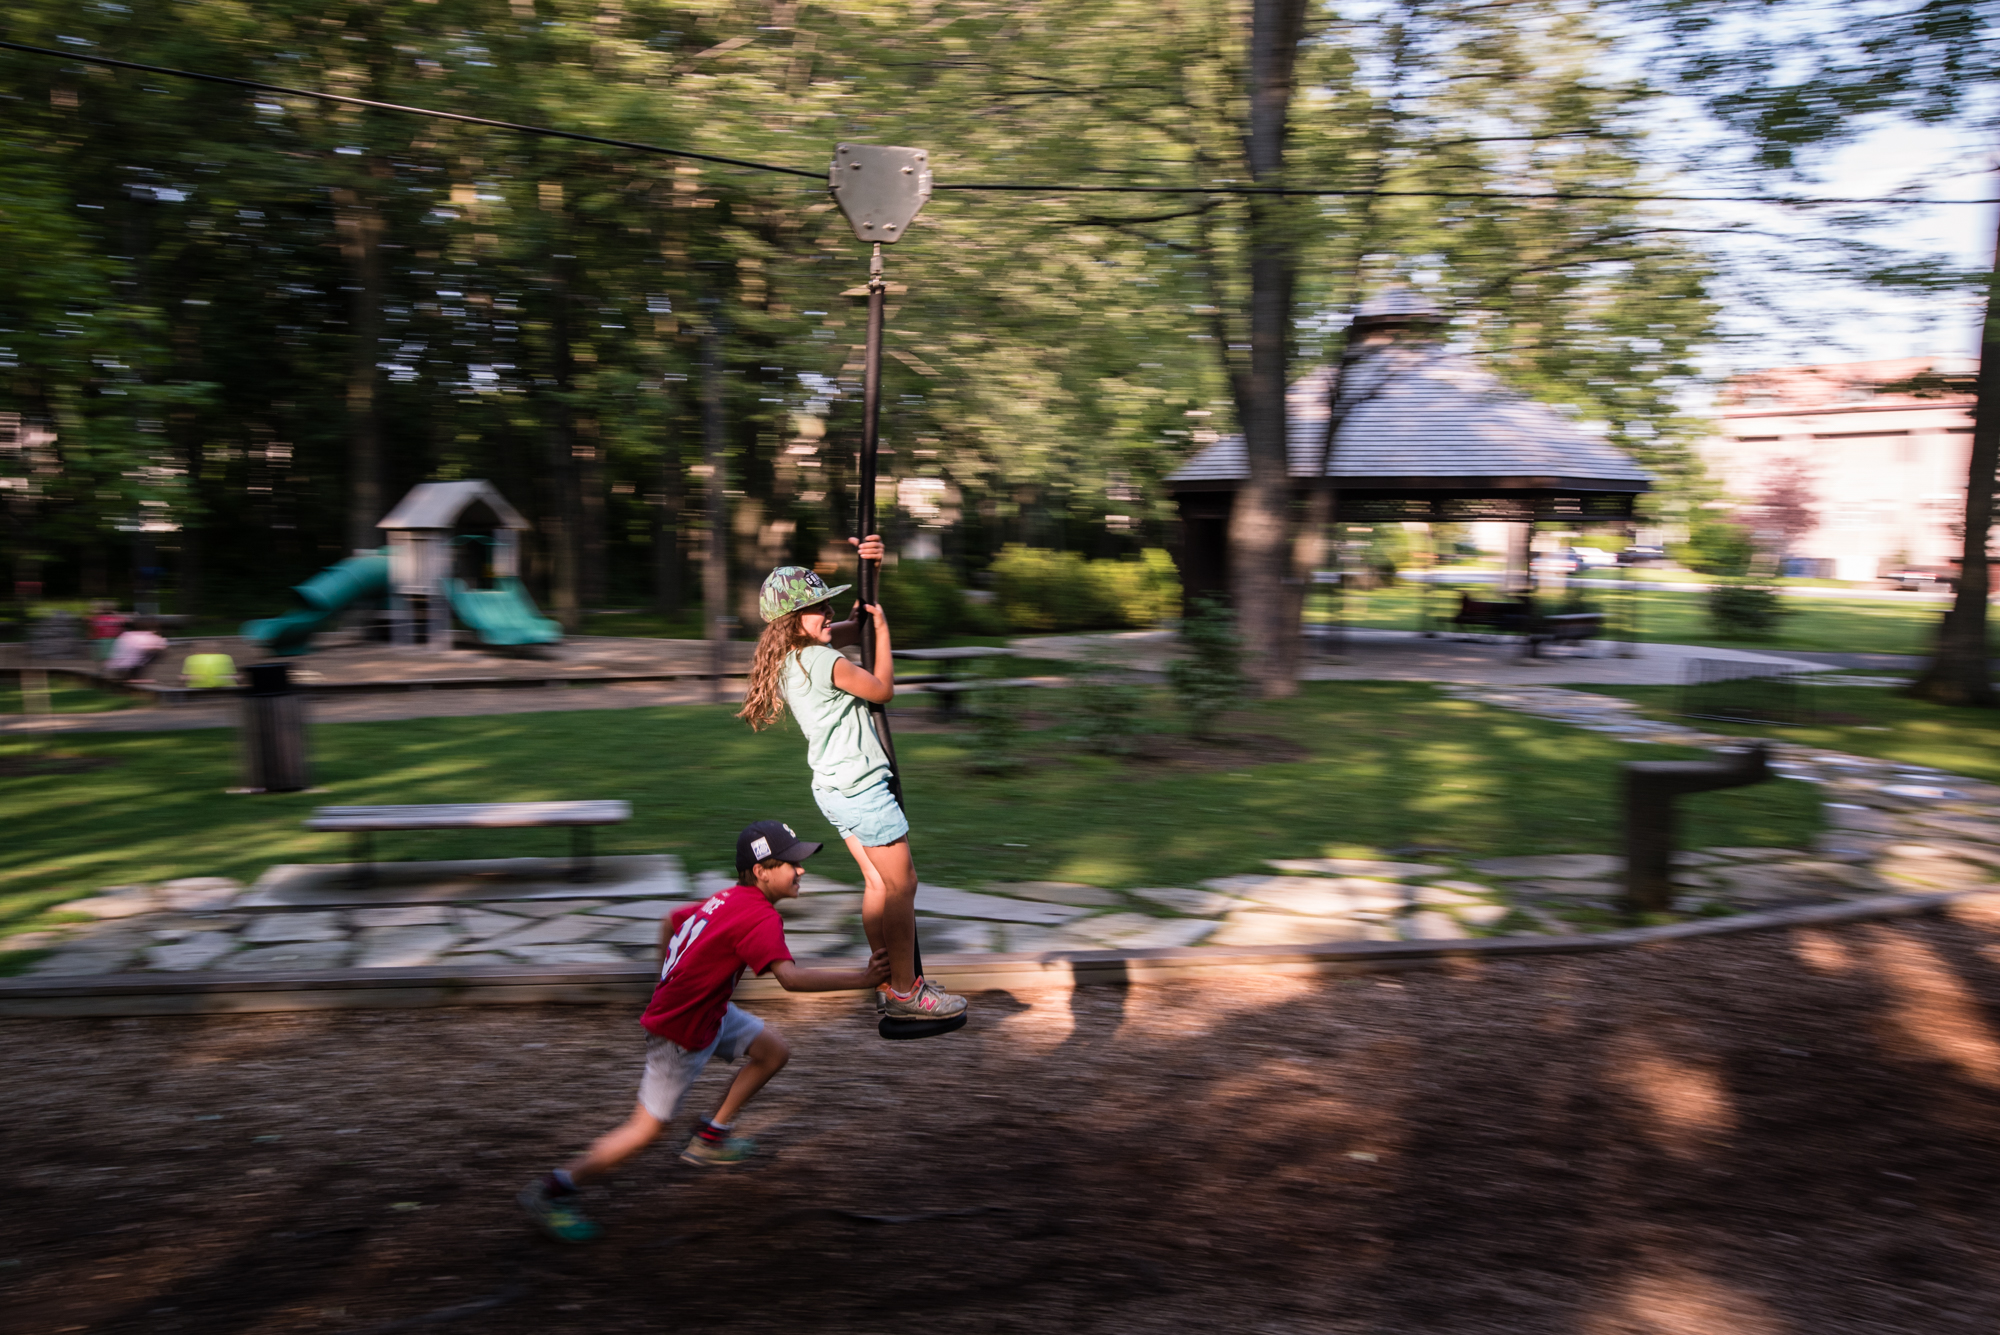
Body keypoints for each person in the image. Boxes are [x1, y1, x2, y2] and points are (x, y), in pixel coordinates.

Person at [518, 820, 889, 1244]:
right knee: (645, 1130)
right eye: (791, 863)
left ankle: (711, 1137)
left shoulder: (726, 898)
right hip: (682, 1030)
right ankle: (554, 1190)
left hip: (708, 1011)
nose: (801, 871)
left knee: (773, 1052)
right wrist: (862, 979)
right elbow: (791, 979)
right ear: (762, 871)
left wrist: (667, 980)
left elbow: (670, 920)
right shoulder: (761, 918)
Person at [739, 539, 968, 1024]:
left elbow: (852, 623)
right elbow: (882, 687)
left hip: (831, 786)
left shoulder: (791, 659)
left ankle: (888, 978)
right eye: (816, 608)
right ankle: (907, 992)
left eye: (826, 605)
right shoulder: (824, 662)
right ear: (790, 621)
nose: (827, 613)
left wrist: (873, 570)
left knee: (876, 882)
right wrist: (883, 630)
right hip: (862, 786)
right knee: (902, 885)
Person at [104, 617, 168, 683]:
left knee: (139, 653)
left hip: (113, 668)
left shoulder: (126, 634)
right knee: (157, 653)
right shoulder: (148, 636)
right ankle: (134, 677)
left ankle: (129, 676)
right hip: (126, 669)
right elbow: (162, 646)